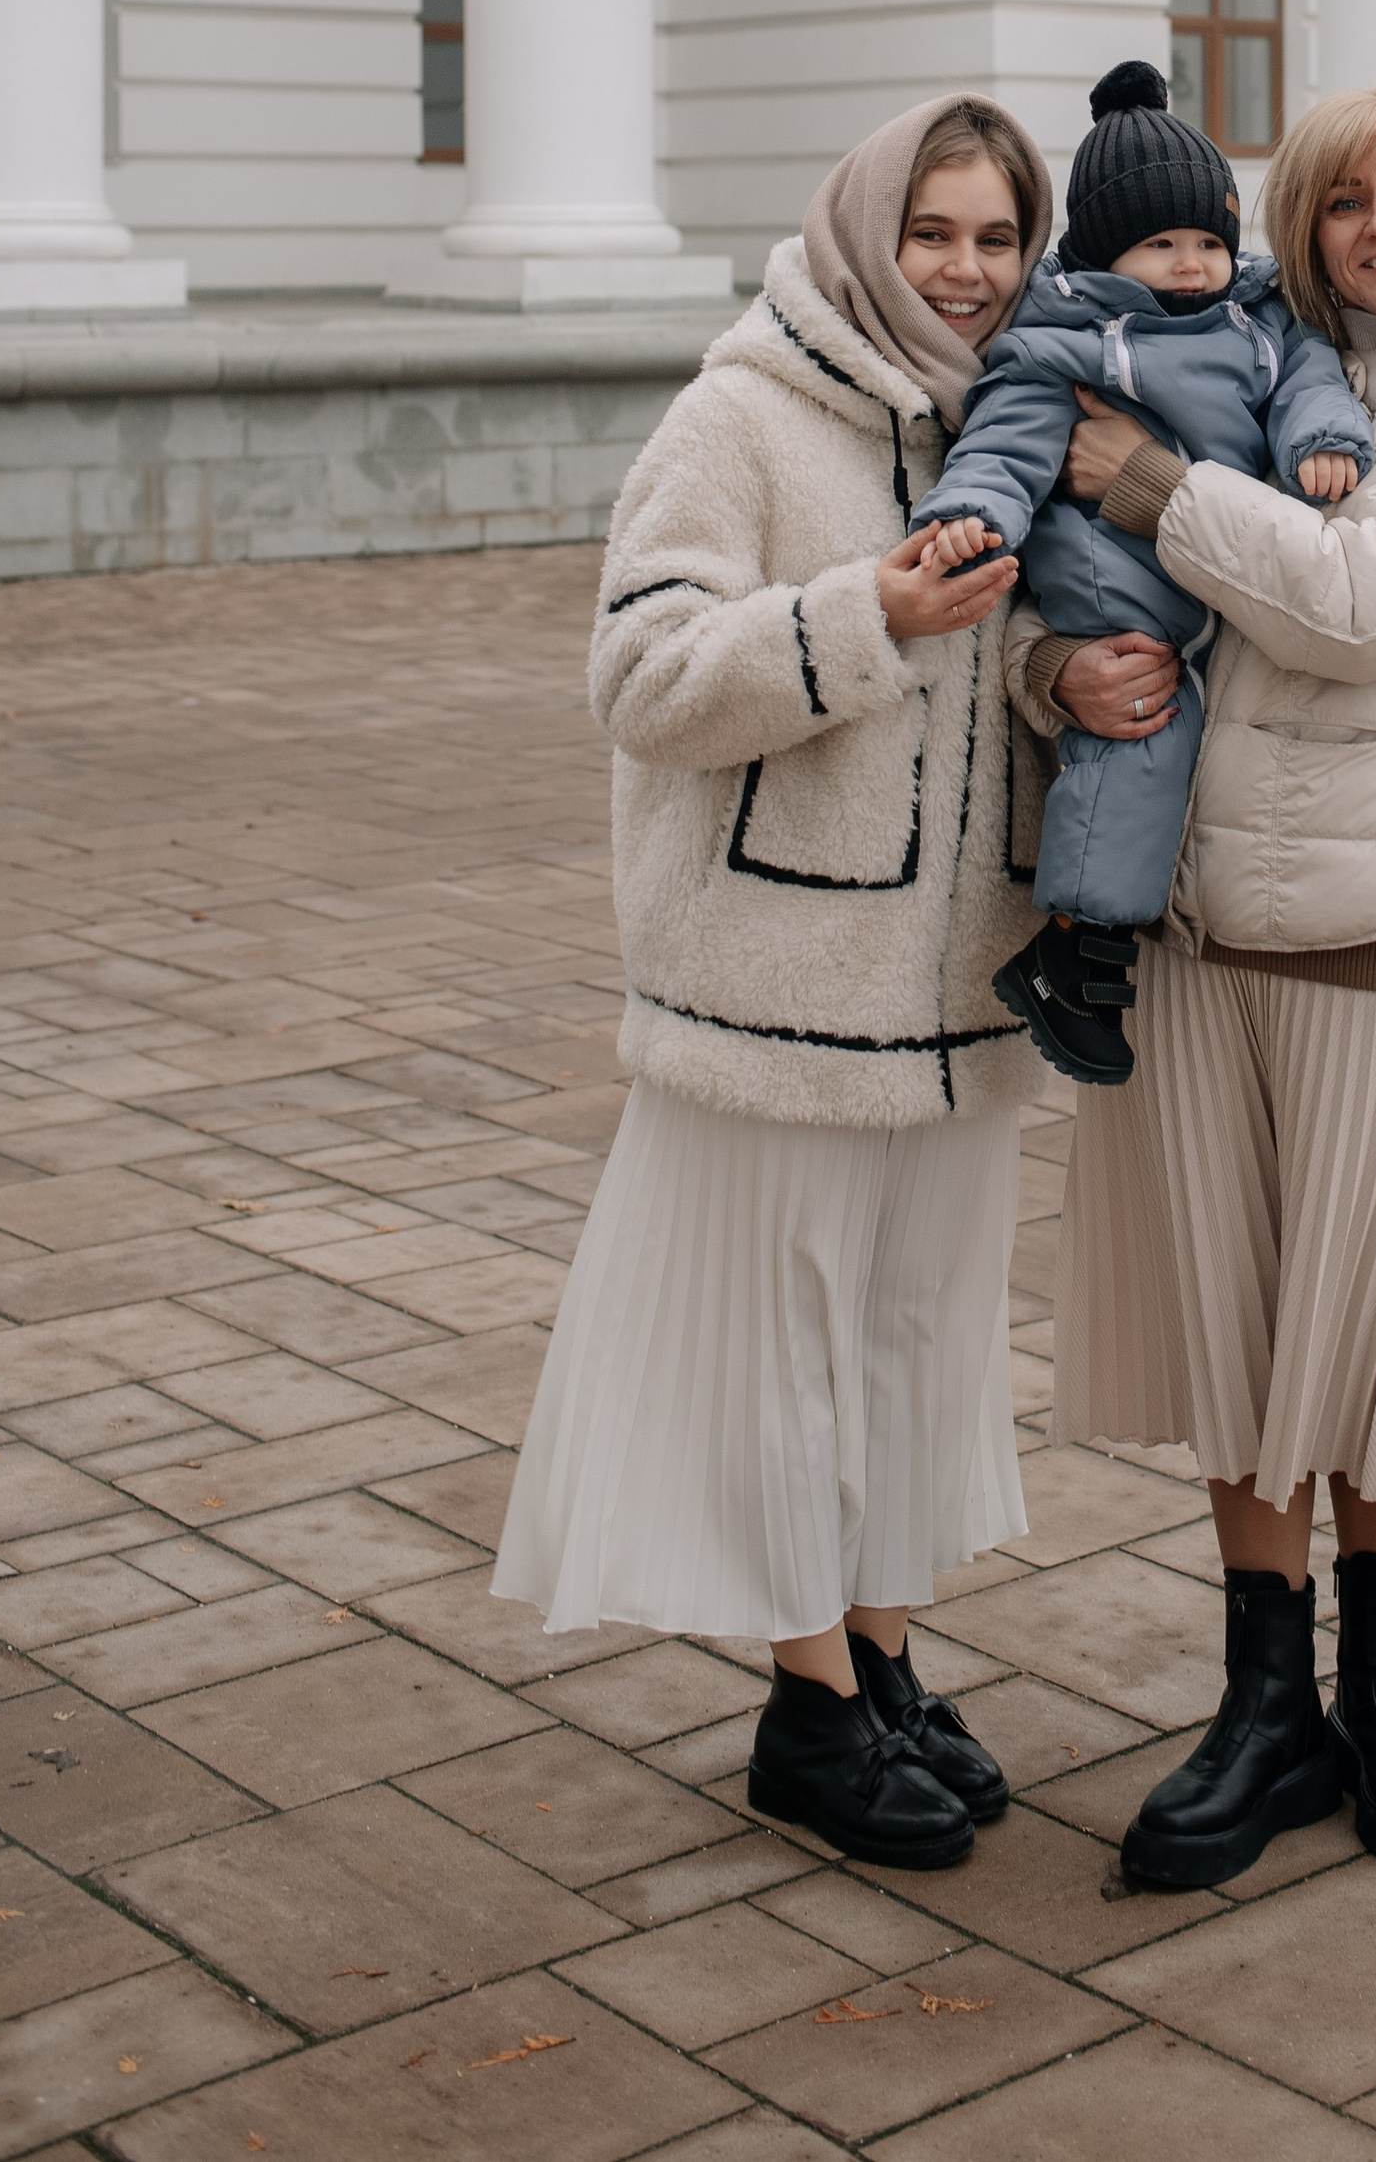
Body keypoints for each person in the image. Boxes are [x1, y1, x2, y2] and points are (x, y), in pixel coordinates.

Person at [1032, 85, 1376, 1893]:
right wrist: (1059, 667)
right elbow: (1116, 589)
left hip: (1373, 924)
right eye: (1342, 197)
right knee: (1234, 1320)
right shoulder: (1262, 345)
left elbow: (1370, 606)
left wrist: (1148, 478)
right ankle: (1266, 1701)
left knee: (1366, 1327)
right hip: (1186, 915)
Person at [491, 95, 1054, 1873]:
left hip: (965, 998)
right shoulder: (739, 412)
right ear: (862, 233)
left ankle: (882, 1659)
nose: (966, 272)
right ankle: (806, 1706)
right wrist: (860, 616)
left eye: (996, 237)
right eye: (934, 233)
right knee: (783, 1353)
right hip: (774, 997)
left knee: (913, 1339)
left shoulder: (1026, 423)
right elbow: (643, 674)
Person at [913, 60, 1372, 1085]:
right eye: (1161, 243)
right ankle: (1079, 952)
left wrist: (1323, 441)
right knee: (1138, 743)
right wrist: (970, 512)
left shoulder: (1263, 322)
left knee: (1304, 731)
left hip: (1227, 572)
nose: (1191, 264)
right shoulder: (1071, 340)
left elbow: (1310, 385)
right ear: (1104, 249)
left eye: (1208, 240)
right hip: (1123, 588)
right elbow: (1005, 445)